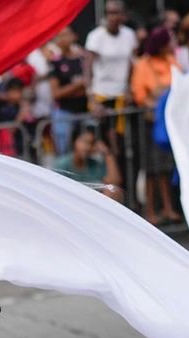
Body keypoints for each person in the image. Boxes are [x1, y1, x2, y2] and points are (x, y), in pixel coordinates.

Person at [131, 27, 182, 226]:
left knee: (166, 168)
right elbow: (140, 96)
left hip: (170, 122)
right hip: (151, 123)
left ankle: (168, 208)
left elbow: (181, 83)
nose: (172, 45)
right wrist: (160, 108)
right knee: (151, 169)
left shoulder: (171, 61)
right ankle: (151, 211)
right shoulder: (143, 65)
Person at [85, 0, 137, 119]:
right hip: (100, 93)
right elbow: (87, 68)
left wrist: (130, 89)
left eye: (115, 13)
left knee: (120, 135)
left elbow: (132, 64)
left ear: (124, 15)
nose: (112, 17)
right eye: (108, 13)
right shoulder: (95, 36)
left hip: (122, 94)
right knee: (97, 134)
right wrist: (91, 97)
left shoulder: (129, 35)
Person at [48, 28, 91, 156]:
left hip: (85, 110)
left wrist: (73, 89)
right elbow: (56, 93)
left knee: (89, 148)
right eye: (59, 36)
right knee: (64, 151)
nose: (63, 39)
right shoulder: (55, 63)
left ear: (74, 36)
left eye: (66, 35)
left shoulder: (82, 59)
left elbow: (89, 85)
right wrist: (77, 85)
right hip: (64, 112)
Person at [53, 124, 124, 196]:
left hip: (91, 201)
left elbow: (114, 183)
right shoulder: (62, 163)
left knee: (114, 192)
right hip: (71, 200)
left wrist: (107, 154)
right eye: (84, 141)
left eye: (92, 143)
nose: (87, 147)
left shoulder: (95, 164)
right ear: (74, 141)